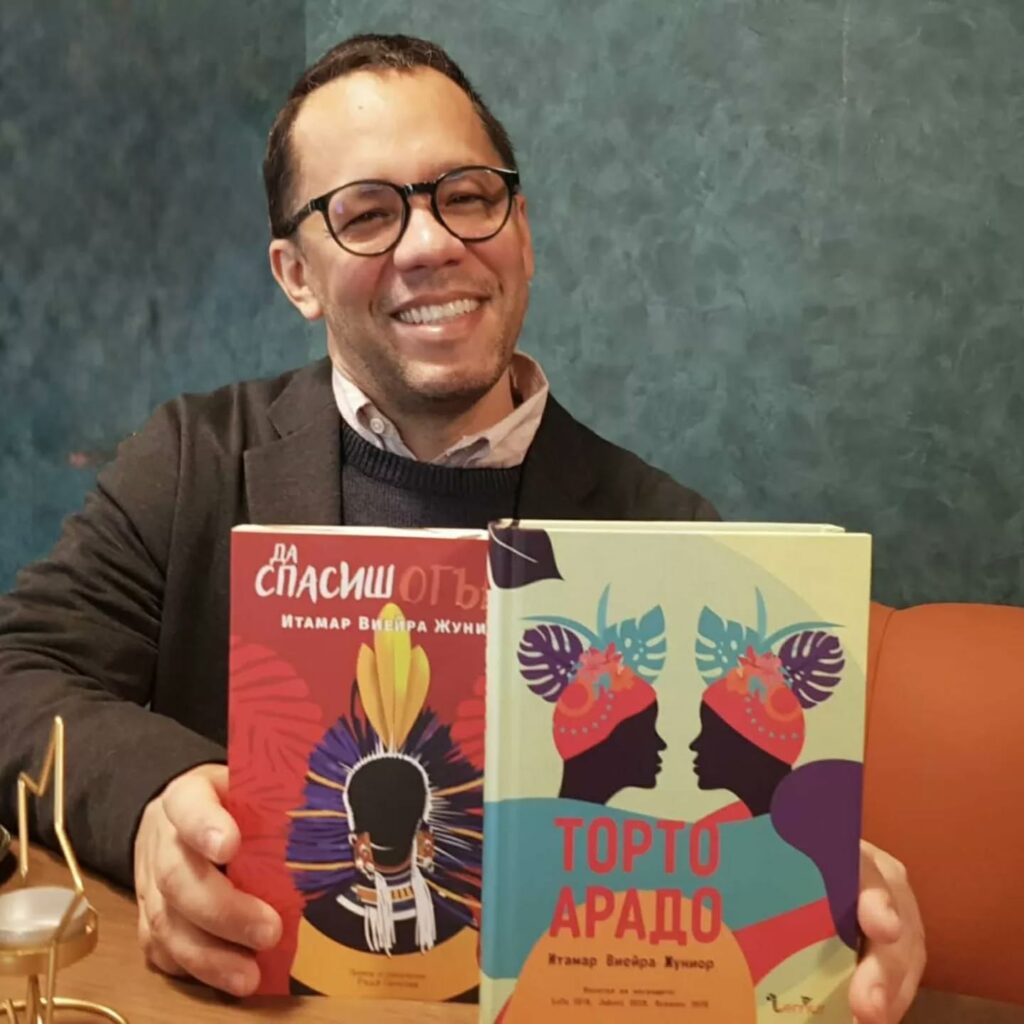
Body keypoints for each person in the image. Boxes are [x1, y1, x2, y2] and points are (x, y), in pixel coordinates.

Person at [0, 32, 924, 1021]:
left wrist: (824, 895)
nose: (432, 243)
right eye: (366, 213)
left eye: (468, 195)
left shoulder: (667, 532)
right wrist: (151, 802)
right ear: (296, 274)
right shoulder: (192, 462)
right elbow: (18, 672)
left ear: (520, 230)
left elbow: (730, 823)